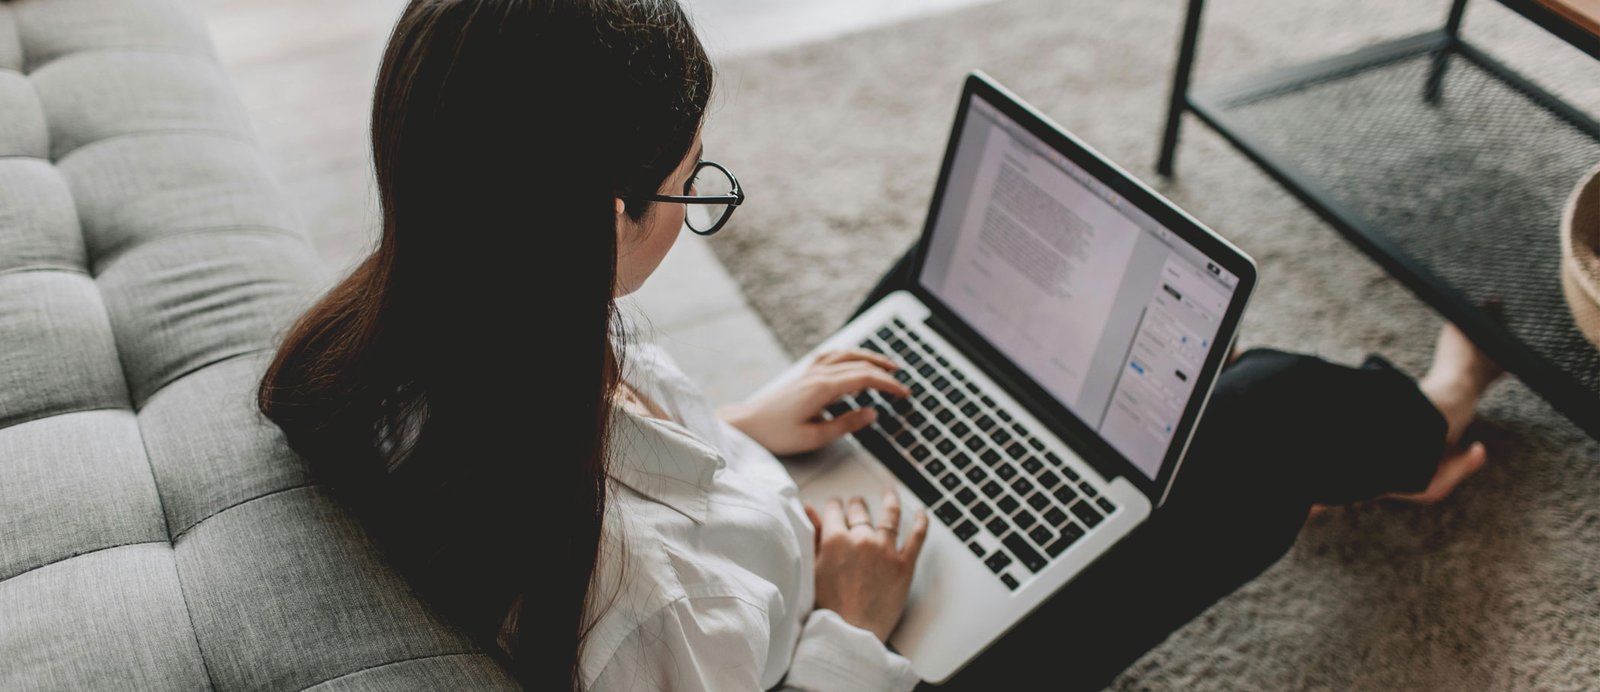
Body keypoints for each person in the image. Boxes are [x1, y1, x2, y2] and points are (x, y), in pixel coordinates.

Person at [255, 1, 1502, 689]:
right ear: (597, 220)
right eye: (691, 193)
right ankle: (1426, 423)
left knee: (934, 304)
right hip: (863, 641)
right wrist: (853, 620)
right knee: (1261, 409)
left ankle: (1199, 422)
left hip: (765, 530)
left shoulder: (425, 329)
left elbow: (599, 462)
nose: (695, 210)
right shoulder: (641, 613)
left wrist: (738, 430)